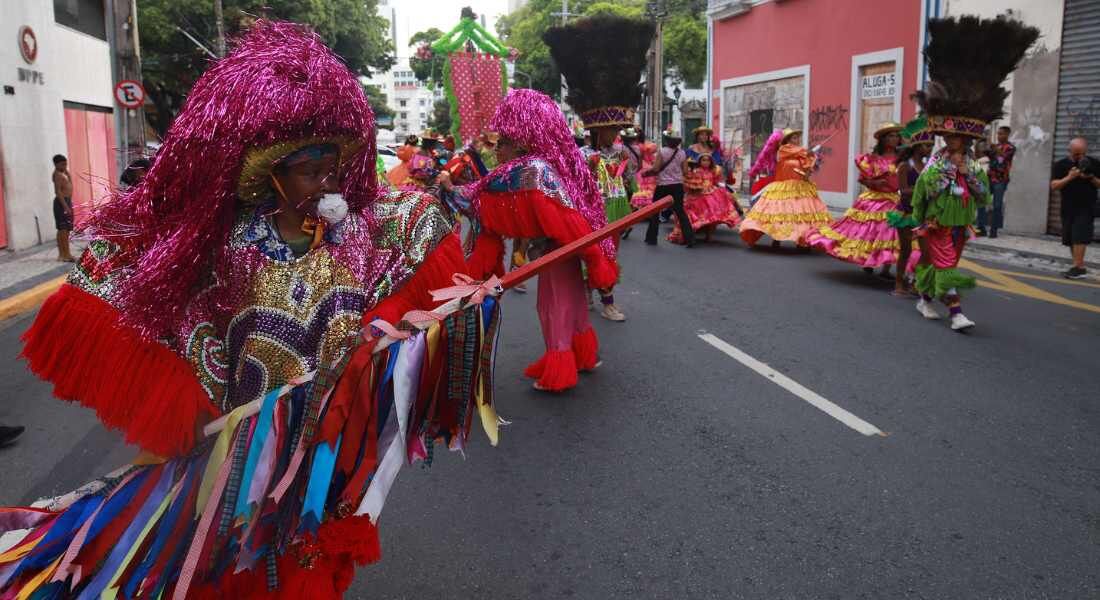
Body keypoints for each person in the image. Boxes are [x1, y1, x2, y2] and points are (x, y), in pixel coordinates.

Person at [2, 22, 493, 598]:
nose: (325, 182)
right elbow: (169, 308)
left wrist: (446, 314)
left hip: (324, 445)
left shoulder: (358, 235)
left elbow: (408, 272)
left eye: (332, 169)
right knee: (238, 566)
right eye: (311, 171)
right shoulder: (229, 248)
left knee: (309, 563)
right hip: (239, 450)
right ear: (271, 175)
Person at [439, 88, 618, 392]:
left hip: (558, 252)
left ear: (521, 141)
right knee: (572, 304)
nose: (499, 151)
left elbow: (479, 199)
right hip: (567, 249)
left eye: (504, 143)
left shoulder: (529, 170)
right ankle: (583, 355)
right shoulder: (549, 166)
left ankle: (560, 369)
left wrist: (447, 186)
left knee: (552, 306)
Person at [909, 14, 1037, 330]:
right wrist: (948, 177)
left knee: (945, 264)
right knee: (943, 264)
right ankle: (956, 313)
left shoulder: (973, 163)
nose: (960, 143)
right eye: (955, 138)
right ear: (946, 137)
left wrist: (969, 172)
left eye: (964, 140)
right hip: (937, 224)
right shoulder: (935, 165)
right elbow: (924, 193)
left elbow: (982, 196)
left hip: (960, 224)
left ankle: (924, 297)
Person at [543, 15, 651, 323]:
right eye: (611, 129)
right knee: (598, 254)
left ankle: (597, 292)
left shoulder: (619, 153)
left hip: (616, 211)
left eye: (618, 129)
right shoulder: (582, 154)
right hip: (591, 213)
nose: (616, 134)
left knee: (608, 254)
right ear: (596, 130)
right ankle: (607, 301)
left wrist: (634, 196)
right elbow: (570, 187)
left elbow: (629, 181)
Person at [804, 122, 912, 278]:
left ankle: (886, 269)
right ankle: (867, 260)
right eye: (890, 136)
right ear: (883, 139)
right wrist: (874, 183)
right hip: (873, 200)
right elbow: (863, 179)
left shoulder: (903, 159)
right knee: (869, 232)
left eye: (896, 136)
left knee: (890, 233)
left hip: (894, 200)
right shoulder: (873, 159)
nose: (894, 139)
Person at [739, 128, 831, 248]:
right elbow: (799, 152)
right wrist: (808, 153)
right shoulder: (784, 149)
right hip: (783, 188)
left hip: (800, 188)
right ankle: (776, 238)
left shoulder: (801, 153)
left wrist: (811, 162)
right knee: (779, 214)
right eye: (794, 137)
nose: (797, 140)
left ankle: (802, 240)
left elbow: (807, 166)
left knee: (801, 216)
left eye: (798, 137)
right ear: (787, 140)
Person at [887, 115, 935, 296]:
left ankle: (916, 281)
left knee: (927, 251)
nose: (929, 149)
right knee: (906, 250)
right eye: (927, 145)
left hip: (923, 214)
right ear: (916, 146)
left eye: (931, 145)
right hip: (906, 213)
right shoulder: (905, 166)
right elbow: (903, 190)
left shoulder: (928, 166)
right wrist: (923, 190)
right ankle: (899, 283)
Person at [1051, 137, 1100, 279]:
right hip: (1068, 206)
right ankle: (1077, 265)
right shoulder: (1060, 165)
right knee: (1070, 238)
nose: (1080, 157)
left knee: (1080, 235)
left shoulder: (1094, 163)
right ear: (1069, 151)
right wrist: (1070, 177)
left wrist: (1091, 177)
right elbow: (1054, 186)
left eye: (1082, 154)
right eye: (1076, 154)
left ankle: (1078, 267)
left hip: (1087, 205)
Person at [669, 154, 740, 244]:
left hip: (712, 195)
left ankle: (709, 235)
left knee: (713, 217)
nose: (706, 162)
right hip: (698, 196)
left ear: (711, 162)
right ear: (699, 161)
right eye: (703, 160)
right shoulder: (696, 171)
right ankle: (691, 234)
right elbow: (690, 184)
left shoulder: (714, 171)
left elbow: (716, 182)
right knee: (694, 216)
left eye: (708, 160)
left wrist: (722, 190)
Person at [644, 128, 694, 246]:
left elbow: (656, 169)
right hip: (677, 186)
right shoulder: (682, 153)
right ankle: (690, 238)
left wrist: (647, 173)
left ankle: (652, 238)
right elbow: (685, 171)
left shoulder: (662, 151)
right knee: (680, 212)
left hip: (663, 185)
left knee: (655, 211)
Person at [978, 125, 1016, 237]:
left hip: (1001, 179)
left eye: (1001, 134)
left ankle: (993, 231)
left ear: (1007, 134)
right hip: (989, 178)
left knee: (997, 205)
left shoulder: (1011, 147)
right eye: (998, 133)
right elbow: (983, 155)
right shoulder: (995, 147)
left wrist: (994, 147)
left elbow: (1004, 156)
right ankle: (981, 228)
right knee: (981, 201)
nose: (999, 136)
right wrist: (981, 142)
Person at [51, 154, 75, 262]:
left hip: (67, 201)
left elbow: (69, 184)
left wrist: (67, 172)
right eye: (62, 164)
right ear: (56, 164)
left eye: (66, 164)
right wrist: (65, 206)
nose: (65, 166)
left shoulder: (63, 173)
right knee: (62, 229)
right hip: (61, 203)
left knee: (67, 229)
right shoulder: (57, 175)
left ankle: (66, 253)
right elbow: (58, 192)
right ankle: (63, 254)